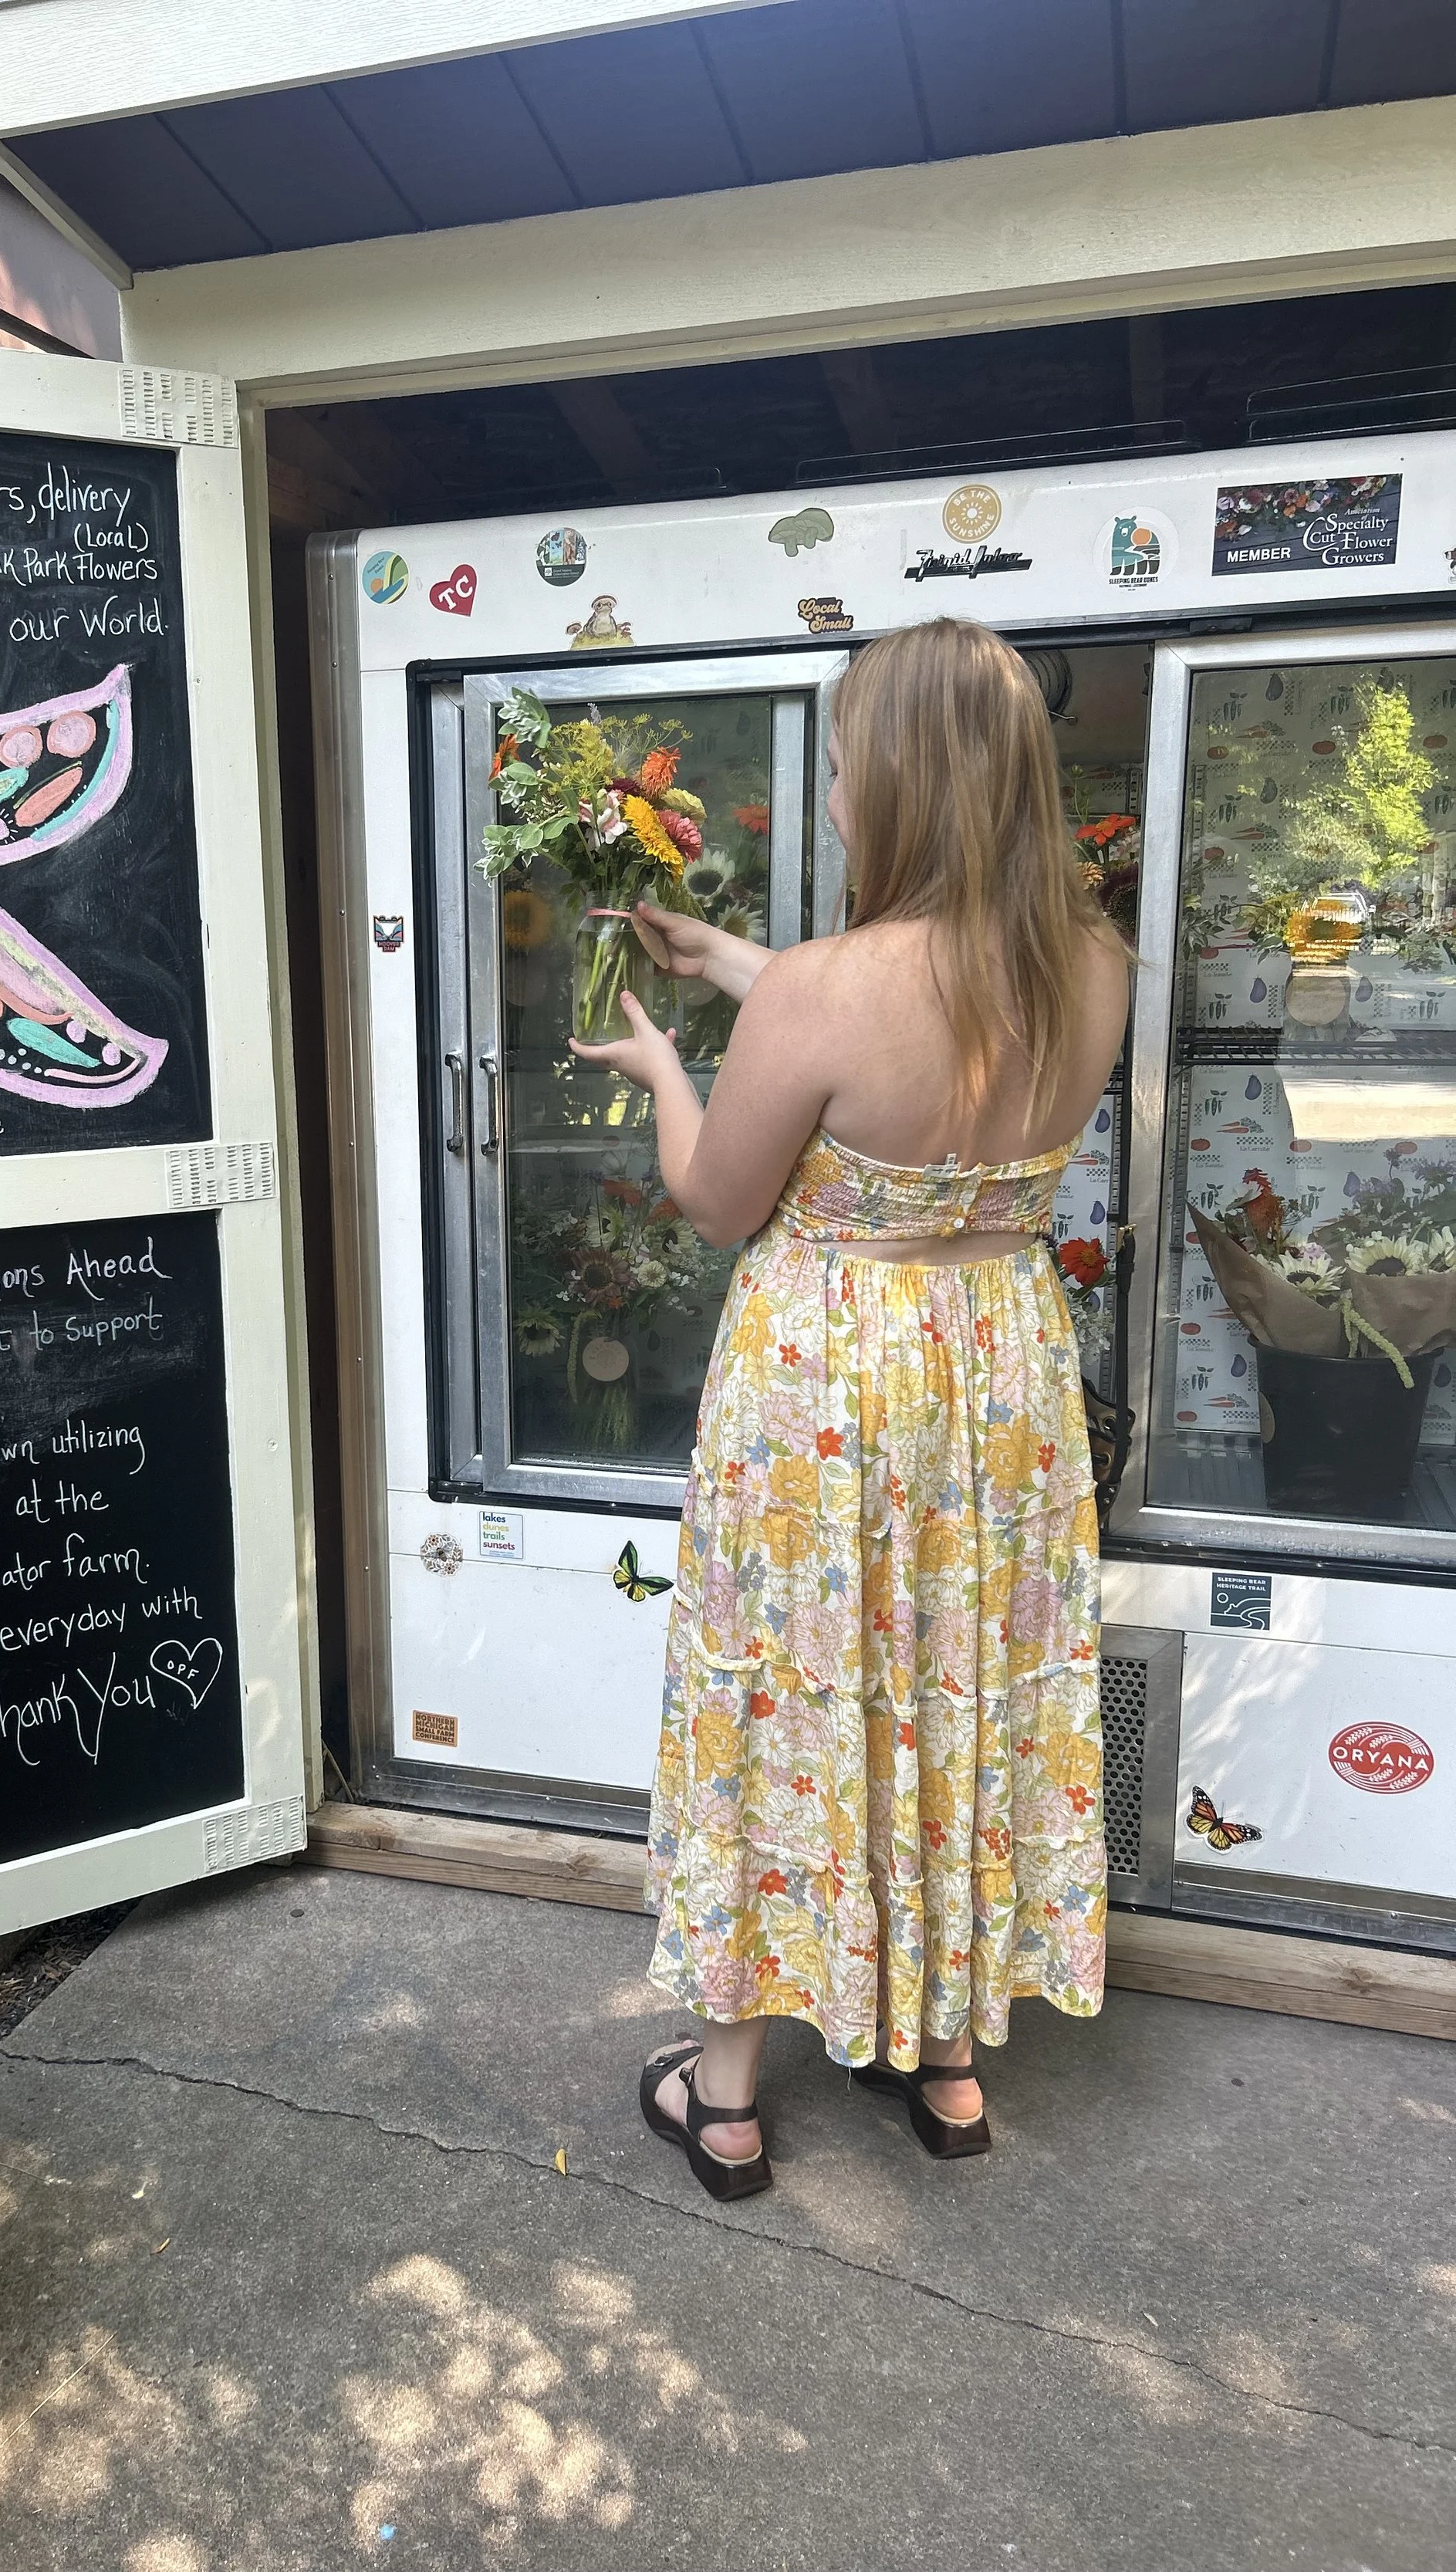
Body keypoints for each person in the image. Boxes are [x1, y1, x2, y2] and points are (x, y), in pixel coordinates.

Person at [569, 617, 1130, 2198]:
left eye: (834, 765)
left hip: (829, 1382)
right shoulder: (1088, 966)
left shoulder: (823, 988)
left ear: (884, 783)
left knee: (791, 1695)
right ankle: (946, 2064)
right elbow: (927, 1030)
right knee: (956, 1680)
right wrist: (735, 971)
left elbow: (713, 1195)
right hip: (994, 1369)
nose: (824, 794)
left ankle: (729, 2094)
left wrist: (664, 1062)